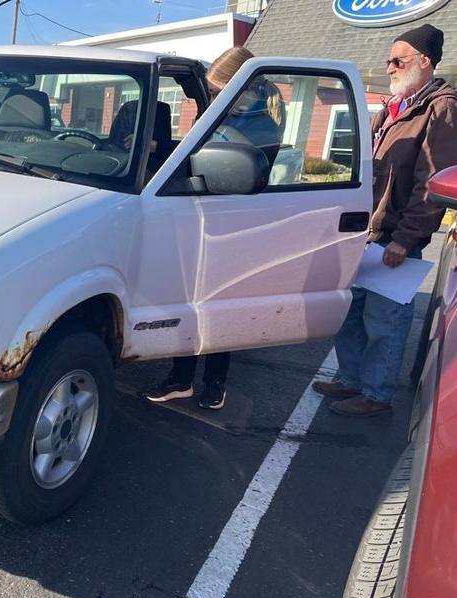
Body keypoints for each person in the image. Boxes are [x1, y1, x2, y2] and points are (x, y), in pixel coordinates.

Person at [313, 24, 457, 417]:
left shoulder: (439, 107)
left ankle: (376, 396)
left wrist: (406, 239)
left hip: (395, 238)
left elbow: (432, 180)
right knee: (353, 311)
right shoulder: (395, 108)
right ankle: (352, 380)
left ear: (425, 62)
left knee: (385, 321)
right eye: (389, 60)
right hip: (366, 231)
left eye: (399, 60)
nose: (390, 67)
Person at [142, 46, 284, 411]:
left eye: (221, 92)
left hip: (234, 224)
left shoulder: (261, 125)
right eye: (213, 93)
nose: (215, 99)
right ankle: (181, 378)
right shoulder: (214, 117)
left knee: (221, 305)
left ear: (244, 87)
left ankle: (215, 383)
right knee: (188, 303)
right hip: (197, 218)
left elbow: (241, 174)